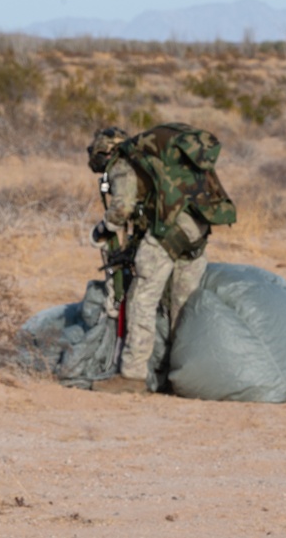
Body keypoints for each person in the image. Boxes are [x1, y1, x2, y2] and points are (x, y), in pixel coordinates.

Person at [86, 126, 213, 394]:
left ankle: (132, 376)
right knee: (183, 306)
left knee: (141, 300)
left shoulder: (123, 163)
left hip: (166, 232)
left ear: (105, 150)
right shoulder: (160, 161)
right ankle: (181, 376)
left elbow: (123, 206)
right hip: (196, 232)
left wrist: (104, 229)